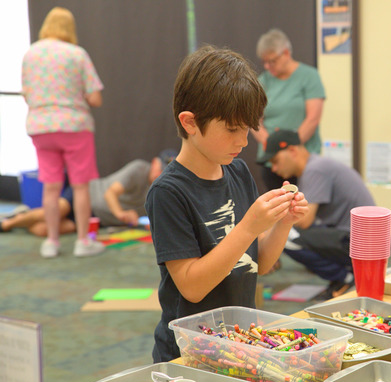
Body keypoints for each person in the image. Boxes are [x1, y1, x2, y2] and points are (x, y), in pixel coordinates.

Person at [145, 45, 309, 362]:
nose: (243, 141)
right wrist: (248, 227)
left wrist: (282, 222)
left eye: (247, 128)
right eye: (233, 129)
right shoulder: (168, 192)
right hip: (188, 353)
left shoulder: (238, 171)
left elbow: (257, 263)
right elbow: (192, 286)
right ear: (190, 123)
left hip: (238, 344)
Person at [21, 7, 105, 258]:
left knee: (50, 186)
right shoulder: (77, 54)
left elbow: (27, 94)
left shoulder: (30, 54)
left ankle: (51, 242)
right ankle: (83, 241)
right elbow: (95, 97)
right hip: (74, 125)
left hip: (40, 126)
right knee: (80, 186)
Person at [258, 130, 376, 299]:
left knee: (288, 236)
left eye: (275, 161)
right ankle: (347, 273)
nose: (274, 169)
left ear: (292, 151)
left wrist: (264, 232)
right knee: (289, 232)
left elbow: (304, 221)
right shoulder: (317, 166)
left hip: (358, 242)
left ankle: (345, 277)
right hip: (359, 239)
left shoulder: (315, 170)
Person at [0, 150, 177, 235]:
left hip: (98, 219)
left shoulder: (161, 191)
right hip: (88, 194)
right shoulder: (139, 168)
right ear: (154, 162)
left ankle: (22, 218)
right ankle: (7, 223)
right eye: (160, 168)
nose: (160, 173)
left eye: (166, 171)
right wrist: (121, 214)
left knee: (48, 229)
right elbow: (110, 193)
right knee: (59, 210)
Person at [254, 28, 326, 191]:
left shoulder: (309, 76)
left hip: (302, 158)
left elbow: (312, 119)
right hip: (271, 161)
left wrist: (290, 149)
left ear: (286, 53)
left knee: (304, 211)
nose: (267, 66)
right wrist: (271, 146)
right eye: (264, 62)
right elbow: (254, 122)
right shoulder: (262, 81)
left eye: (272, 61)